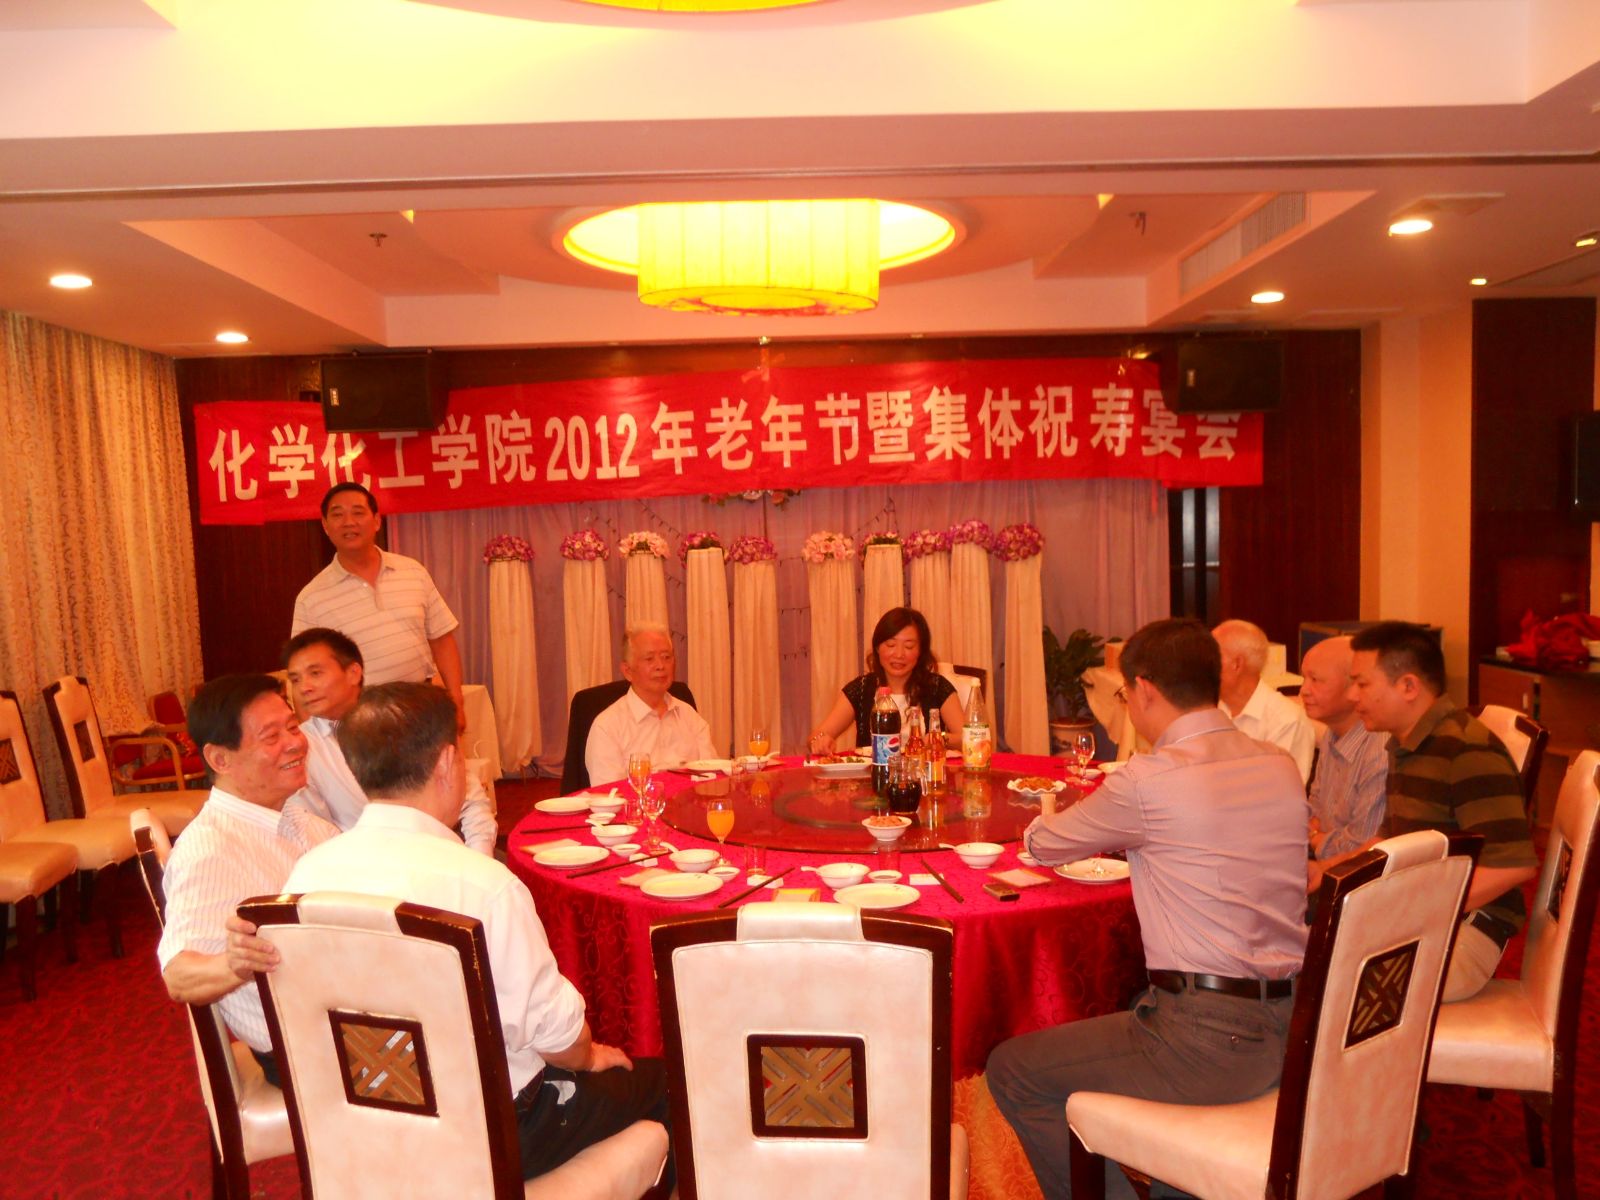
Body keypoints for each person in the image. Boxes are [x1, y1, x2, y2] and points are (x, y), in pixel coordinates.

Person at [280, 683, 671, 1187]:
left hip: (367, 1121)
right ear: (448, 762)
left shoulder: (306, 875)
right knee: (665, 1080)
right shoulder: (483, 886)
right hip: (493, 1131)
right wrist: (591, 1055)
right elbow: (556, 1037)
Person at [987, 618, 1308, 1200]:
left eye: (1124, 694)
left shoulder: (1148, 779)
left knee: (1014, 1071)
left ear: (1144, 689)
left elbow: (1046, 845)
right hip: (1296, 1024)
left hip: (1206, 1040)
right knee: (1133, 1003)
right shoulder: (1278, 763)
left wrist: (1047, 813)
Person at [156, 674, 338, 1084]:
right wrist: (233, 963)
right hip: (311, 1052)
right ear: (220, 760)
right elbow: (178, 977)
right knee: (466, 1055)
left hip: (341, 1020)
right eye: (271, 736)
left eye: (292, 727)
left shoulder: (297, 820)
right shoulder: (212, 849)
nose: (295, 743)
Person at [1345, 621, 1536, 1002]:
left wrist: (1415, 911)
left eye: (1362, 684)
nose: (1352, 695)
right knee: (1309, 949)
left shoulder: (1465, 749)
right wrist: (1329, 873)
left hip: (1466, 930)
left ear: (1409, 686)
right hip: (1425, 916)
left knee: (1344, 988)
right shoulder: (1407, 744)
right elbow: (1388, 839)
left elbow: (1514, 866)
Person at [284, 626, 498, 854]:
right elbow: (316, 834)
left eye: (315, 673)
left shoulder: (398, 717)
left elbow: (469, 795)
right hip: (366, 863)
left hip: (442, 850)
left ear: (353, 673)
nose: (304, 688)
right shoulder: (301, 748)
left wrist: (480, 853)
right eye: (295, 680)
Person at [291, 482, 467, 732]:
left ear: (376, 521)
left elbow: (442, 640)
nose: (349, 522)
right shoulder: (311, 598)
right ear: (325, 526)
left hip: (422, 706)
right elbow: (302, 674)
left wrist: (456, 700)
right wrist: (311, 738)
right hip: (359, 720)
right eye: (338, 515)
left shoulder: (413, 571)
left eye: (358, 512)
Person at [807, 606, 966, 754]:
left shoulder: (937, 687)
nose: (899, 654)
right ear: (877, 648)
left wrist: (940, 738)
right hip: (874, 774)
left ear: (920, 651)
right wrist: (820, 741)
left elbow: (969, 739)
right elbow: (817, 735)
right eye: (890, 645)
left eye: (909, 647)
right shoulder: (862, 688)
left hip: (925, 773)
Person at [585, 624, 717, 788]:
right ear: (627, 671)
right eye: (649, 659)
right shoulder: (607, 726)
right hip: (638, 805)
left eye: (666, 657)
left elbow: (712, 777)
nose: (660, 666)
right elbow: (610, 794)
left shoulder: (688, 715)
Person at [1298, 635, 1389, 861]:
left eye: (1315, 680)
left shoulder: (1380, 750)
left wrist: (1315, 837)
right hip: (1322, 863)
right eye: (1304, 679)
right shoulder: (1332, 733)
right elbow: (1313, 812)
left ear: (1354, 685)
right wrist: (1316, 834)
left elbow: (1363, 847)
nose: (1304, 690)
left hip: (1358, 876)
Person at [1213, 618, 1316, 783]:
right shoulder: (1209, 710)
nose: (1202, 664)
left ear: (1237, 664)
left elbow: (1281, 789)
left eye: (1211, 655)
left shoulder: (1287, 721)